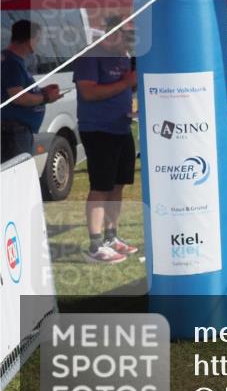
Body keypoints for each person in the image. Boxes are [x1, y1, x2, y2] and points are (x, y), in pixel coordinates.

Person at [73, 18, 138, 264]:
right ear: (110, 34)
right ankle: (95, 243)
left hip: (122, 126)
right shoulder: (90, 57)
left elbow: (124, 89)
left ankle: (112, 237)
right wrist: (126, 83)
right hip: (99, 130)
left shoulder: (123, 56)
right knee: (100, 187)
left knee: (118, 185)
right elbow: (88, 92)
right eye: (123, 35)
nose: (126, 41)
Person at [1, 20, 63, 162]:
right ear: (29, 40)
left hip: (16, 132)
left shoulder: (14, 61)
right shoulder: (11, 62)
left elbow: (18, 90)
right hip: (14, 133)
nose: (38, 43)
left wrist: (40, 91)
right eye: (37, 39)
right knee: (17, 175)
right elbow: (18, 97)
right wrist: (45, 97)